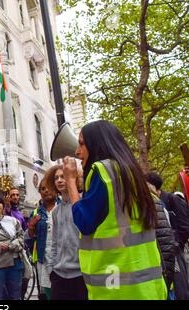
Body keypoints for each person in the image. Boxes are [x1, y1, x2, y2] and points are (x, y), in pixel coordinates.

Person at [63, 120, 167, 300]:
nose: (77, 152)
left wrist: (71, 182)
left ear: (97, 144)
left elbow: (84, 222)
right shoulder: (130, 173)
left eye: (81, 144)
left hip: (116, 286)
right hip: (148, 287)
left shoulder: (103, 171)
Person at [44, 165, 87, 300]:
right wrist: (52, 270)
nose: (60, 180)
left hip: (82, 275)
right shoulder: (56, 211)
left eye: (63, 176)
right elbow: (54, 242)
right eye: (56, 178)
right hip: (59, 276)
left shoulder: (83, 203)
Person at [146, 172, 189, 300]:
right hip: (168, 250)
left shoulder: (173, 199)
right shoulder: (158, 201)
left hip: (175, 250)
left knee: (180, 287)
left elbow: (185, 225)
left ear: (153, 186)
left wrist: (177, 245)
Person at [27, 178, 59, 300]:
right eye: (43, 189)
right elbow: (30, 237)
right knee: (48, 293)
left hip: (63, 258)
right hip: (44, 259)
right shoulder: (36, 212)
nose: (46, 191)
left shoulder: (65, 206)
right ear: (40, 192)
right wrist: (31, 226)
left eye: (49, 187)